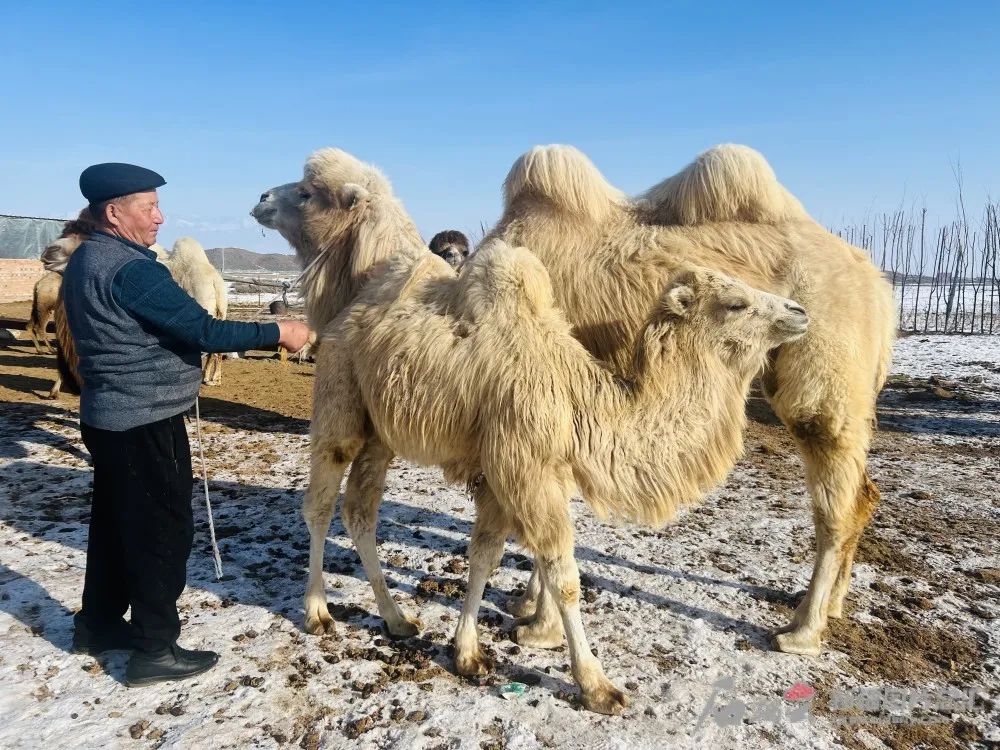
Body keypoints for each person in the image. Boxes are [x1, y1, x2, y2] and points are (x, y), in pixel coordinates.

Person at [62, 162, 310, 686]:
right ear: (114, 212)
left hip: (108, 419)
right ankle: (155, 649)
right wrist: (279, 330)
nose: (160, 217)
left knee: (115, 527)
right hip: (144, 423)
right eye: (148, 207)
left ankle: (99, 625)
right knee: (160, 533)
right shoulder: (133, 270)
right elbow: (202, 328)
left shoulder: (88, 258)